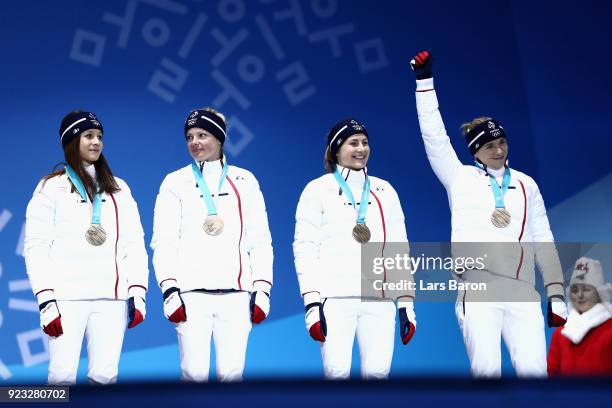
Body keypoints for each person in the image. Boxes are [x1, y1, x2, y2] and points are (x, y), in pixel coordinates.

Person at [410, 50, 568, 378]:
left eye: (502, 142)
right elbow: (434, 138)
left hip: (523, 291)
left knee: (536, 378)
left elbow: (544, 241)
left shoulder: (527, 185)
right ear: (475, 151)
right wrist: (424, 83)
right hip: (477, 290)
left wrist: (555, 293)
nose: (499, 149)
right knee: (487, 377)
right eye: (489, 145)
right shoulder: (459, 178)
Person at [23, 110, 149, 385]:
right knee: (61, 378)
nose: (96, 142)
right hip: (67, 299)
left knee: (105, 379)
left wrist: (138, 291)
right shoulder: (50, 187)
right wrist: (46, 300)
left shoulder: (119, 189)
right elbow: (35, 246)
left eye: (100, 137)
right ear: (72, 141)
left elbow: (134, 244)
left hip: (111, 299)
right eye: (88, 136)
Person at [151, 107, 273, 382]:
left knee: (232, 378)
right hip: (191, 295)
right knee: (193, 377)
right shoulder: (175, 181)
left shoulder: (245, 180)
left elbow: (260, 240)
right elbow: (164, 240)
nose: (195, 142)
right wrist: (169, 288)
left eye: (202, 135)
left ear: (219, 138)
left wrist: (262, 288)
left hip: (237, 295)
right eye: (190, 137)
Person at [293, 118, 416, 380]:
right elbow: (305, 248)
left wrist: (406, 304)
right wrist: (312, 303)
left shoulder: (386, 190)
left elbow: (399, 249)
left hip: (380, 300)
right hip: (335, 300)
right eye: (353, 143)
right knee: (336, 376)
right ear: (336, 149)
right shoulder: (317, 190)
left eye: (364, 143)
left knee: (378, 376)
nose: (361, 149)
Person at [548, 257, 612, 376]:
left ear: (599, 293)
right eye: (575, 290)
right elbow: (552, 383)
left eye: (586, 289)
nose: (580, 295)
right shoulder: (560, 334)